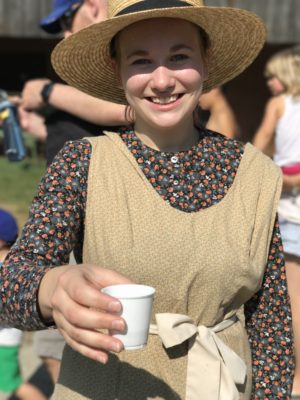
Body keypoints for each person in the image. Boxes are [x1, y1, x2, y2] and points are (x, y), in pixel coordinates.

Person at [0, 1, 295, 399]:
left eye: (179, 56)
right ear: (116, 70)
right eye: (141, 61)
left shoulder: (256, 175)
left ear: (206, 63)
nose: (161, 80)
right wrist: (51, 287)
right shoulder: (83, 163)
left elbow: (270, 323)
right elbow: (11, 283)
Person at [253, 45, 300, 398]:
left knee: (293, 302)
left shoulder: (278, 105)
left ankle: (297, 377)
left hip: (290, 208)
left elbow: (258, 149)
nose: (268, 82)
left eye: (271, 76)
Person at [0, 209, 46, 400]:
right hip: (6, 338)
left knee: (15, 385)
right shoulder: (14, 263)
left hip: (3, 342)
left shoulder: (6, 270)